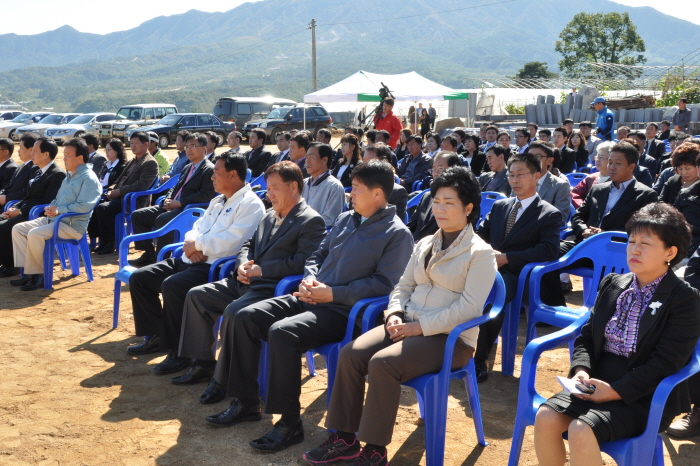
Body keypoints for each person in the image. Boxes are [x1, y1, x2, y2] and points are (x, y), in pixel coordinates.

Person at [202, 161, 414, 456]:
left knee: (283, 333)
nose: (350, 194)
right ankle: (246, 401)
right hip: (311, 297)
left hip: (345, 312)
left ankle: (289, 423)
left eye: (356, 189)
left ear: (378, 194)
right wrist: (310, 278)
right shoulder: (346, 219)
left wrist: (333, 294)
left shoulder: (397, 234)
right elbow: (317, 254)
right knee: (244, 315)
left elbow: (384, 284)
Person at [303, 166, 496, 466]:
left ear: (468, 208)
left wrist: (420, 327)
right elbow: (402, 286)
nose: (440, 209)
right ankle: (343, 439)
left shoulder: (480, 253)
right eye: (437, 201)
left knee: (383, 363)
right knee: (351, 354)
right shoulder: (426, 243)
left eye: (450, 202)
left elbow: (469, 309)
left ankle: (375, 451)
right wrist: (394, 312)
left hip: (450, 339)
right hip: (408, 325)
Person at [534, 202, 700, 466]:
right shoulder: (614, 284)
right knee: (545, 416)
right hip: (595, 384)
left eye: (645, 244)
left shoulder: (684, 298)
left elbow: (666, 362)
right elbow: (587, 337)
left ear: (670, 252)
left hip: (644, 394)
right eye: (631, 241)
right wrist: (580, 370)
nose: (634, 249)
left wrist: (615, 391)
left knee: (580, 428)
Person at [166, 162, 327, 385]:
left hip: (272, 287)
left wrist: (263, 270)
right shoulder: (269, 215)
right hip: (244, 280)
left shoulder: (310, 220)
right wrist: (242, 264)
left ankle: (224, 382)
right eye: (268, 188)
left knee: (234, 312)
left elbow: (303, 261)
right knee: (196, 296)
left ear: (293, 187)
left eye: (275, 188)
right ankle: (202, 364)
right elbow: (247, 245)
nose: (270, 194)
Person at [124, 152, 265, 357]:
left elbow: (233, 242)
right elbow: (197, 227)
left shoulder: (251, 205)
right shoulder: (218, 200)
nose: (212, 177)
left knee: (173, 286)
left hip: (214, 266)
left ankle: (177, 351)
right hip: (191, 257)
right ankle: (157, 336)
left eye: (216, 172)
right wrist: (191, 243)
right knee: (140, 278)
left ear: (233, 175)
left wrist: (196, 245)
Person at [474, 152, 561, 382]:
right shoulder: (501, 206)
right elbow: (479, 234)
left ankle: (478, 359)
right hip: (486, 265)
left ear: (537, 176)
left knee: (491, 300)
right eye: (511, 175)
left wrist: (507, 258)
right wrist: (486, 253)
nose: (514, 180)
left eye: (521, 174)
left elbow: (548, 250)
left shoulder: (548, 213)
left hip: (516, 274)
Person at [546, 142, 659, 306]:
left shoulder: (645, 194)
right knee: (546, 251)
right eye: (610, 162)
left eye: (618, 163)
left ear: (632, 166)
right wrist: (584, 230)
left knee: (608, 286)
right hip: (585, 246)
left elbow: (641, 230)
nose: (611, 167)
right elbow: (578, 217)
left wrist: (605, 234)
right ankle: (553, 305)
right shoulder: (598, 189)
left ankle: (602, 315)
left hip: (617, 252)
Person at [10, 138, 101, 290]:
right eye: (64, 155)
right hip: (55, 220)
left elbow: (85, 206)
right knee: (18, 229)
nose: (64, 158)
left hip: (71, 225)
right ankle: (27, 273)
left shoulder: (89, 178)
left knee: (35, 234)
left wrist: (58, 210)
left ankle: (39, 276)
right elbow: (57, 199)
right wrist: (51, 208)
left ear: (80, 158)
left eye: (67, 155)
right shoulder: (70, 175)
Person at [129, 133, 217, 266]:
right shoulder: (188, 167)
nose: (189, 150)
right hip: (173, 205)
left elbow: (206, 195)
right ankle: (148, 253)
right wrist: (168, 198)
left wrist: (180, 203)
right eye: (187, 146)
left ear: (204, 148)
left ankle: (163, 259)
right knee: (138, 215)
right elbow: (176, 187)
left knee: (163, 219)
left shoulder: (209, 169)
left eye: (193, 146)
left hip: (188, 209)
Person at [0, 137, 66, 277]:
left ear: (46, 154)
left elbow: (46, 201)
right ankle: (6, 262)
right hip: (25, 209)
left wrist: (20, 211)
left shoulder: (57, 174)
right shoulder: (39, 171)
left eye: (35, 151)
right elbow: (28, 196)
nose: (32, 154)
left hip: (37, 215)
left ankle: (11, 266)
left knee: (4, 227)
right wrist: (15, 207)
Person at [90, 131, 159, 254]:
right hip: (121, 196)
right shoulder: (133, 160)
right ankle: (102, 241)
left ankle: (111, 243)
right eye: (131, 143)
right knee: (95, 205)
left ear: (146, 144)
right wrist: (111, 189)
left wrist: (120, 191)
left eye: (136, 143)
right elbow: (119, 180)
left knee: (103, 208)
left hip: (132, 200)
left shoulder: (150, 162)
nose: (132, 146)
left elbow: (142, 185)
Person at [406, 151, 462, 241]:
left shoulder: (461, 200)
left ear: (454, 170)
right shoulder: (427, 196)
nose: (435, 174)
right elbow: (411, 226)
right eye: (433, 169)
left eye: (440, 169)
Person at [361, 143, 408, 221]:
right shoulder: (360, 186)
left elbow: (394, 224)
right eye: (364, 160)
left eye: (369, 159)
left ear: (384, 162)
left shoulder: (397, 192)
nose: (364, 164)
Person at [302, 142, 345, 227]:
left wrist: (302, 225)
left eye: (311, 157)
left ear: (324, 160)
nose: (307, 161)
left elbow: (330, 219)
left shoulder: (334, 186)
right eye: (306, 157)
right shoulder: (303, 183)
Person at [529, 141, 572, 225]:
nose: (532, 161)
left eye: (538, 156)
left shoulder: (560, 185)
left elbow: (560, 217)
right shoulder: (520, 181)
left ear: (549, 161)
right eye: (530, 156)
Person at [570, 141, 613, 209]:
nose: (597, 160)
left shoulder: (617, 181)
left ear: (611, 160)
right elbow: (575, 193)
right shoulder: (591, 178)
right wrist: (582, 207)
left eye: (601, 157)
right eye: (597, 157)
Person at [0, 133, 38, 208]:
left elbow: (27, 191)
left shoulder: (35, 168)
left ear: (30, 150)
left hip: (11, 206)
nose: (18, 151)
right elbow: (8, 187)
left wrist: (6, 198)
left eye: (21, 148)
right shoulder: (21, 166)